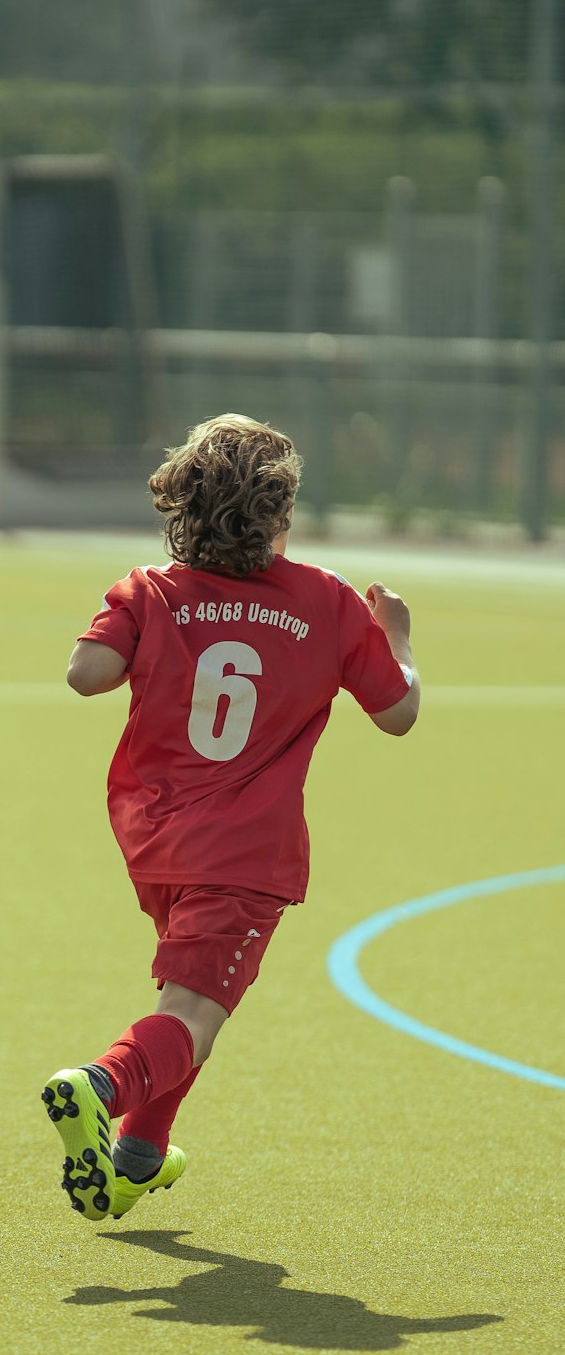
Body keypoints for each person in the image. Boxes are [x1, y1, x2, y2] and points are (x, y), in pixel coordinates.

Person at [42, 415, 420, 1221]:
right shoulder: (326, 600)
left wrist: (143, 617)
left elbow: (86, 675)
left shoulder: (150, 589)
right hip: (247, 854)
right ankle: (99, 1086)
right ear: (279, 512)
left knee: (194, 1000)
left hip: (156, 843)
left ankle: (138, 1157)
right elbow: (398, 715)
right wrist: (401, 642)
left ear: (180, 502)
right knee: (192, 1015)